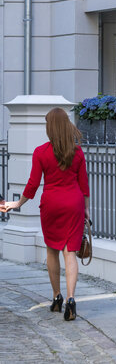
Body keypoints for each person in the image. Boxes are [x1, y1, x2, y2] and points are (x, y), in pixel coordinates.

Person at [0, 107, 90, 321]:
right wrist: (86, 210)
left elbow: (32, 184)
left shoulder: (41, 152)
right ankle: (71, 299)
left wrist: (17, 203)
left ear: (50, 128)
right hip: (74, 204)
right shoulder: (77, 152)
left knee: (52, 252)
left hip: (52, 205)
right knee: (71, 253)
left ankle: (56, 296)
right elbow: (84, 186)